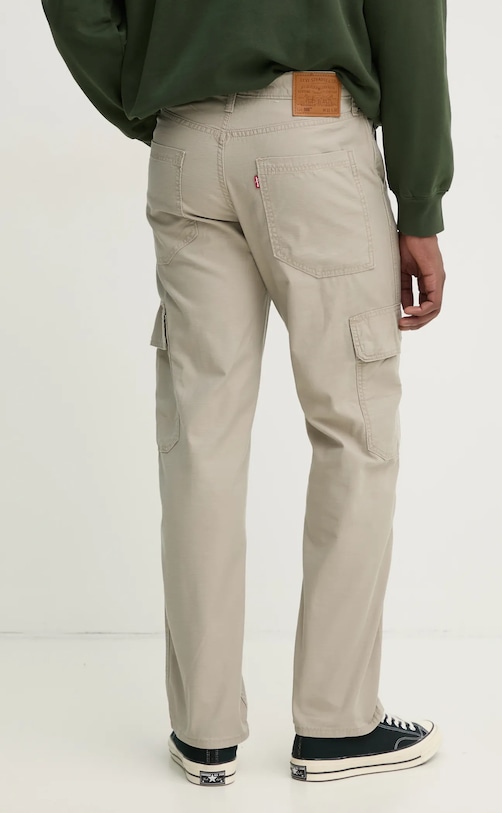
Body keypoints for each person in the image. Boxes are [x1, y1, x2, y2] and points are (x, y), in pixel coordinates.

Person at [41, 0, 453, 787]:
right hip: (314, 129)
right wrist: (421, 201)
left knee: (200, 439)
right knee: (355, 429)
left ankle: (203, 732)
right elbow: (407, 16)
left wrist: (154, 91)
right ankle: (336, 723)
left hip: (186, 144)